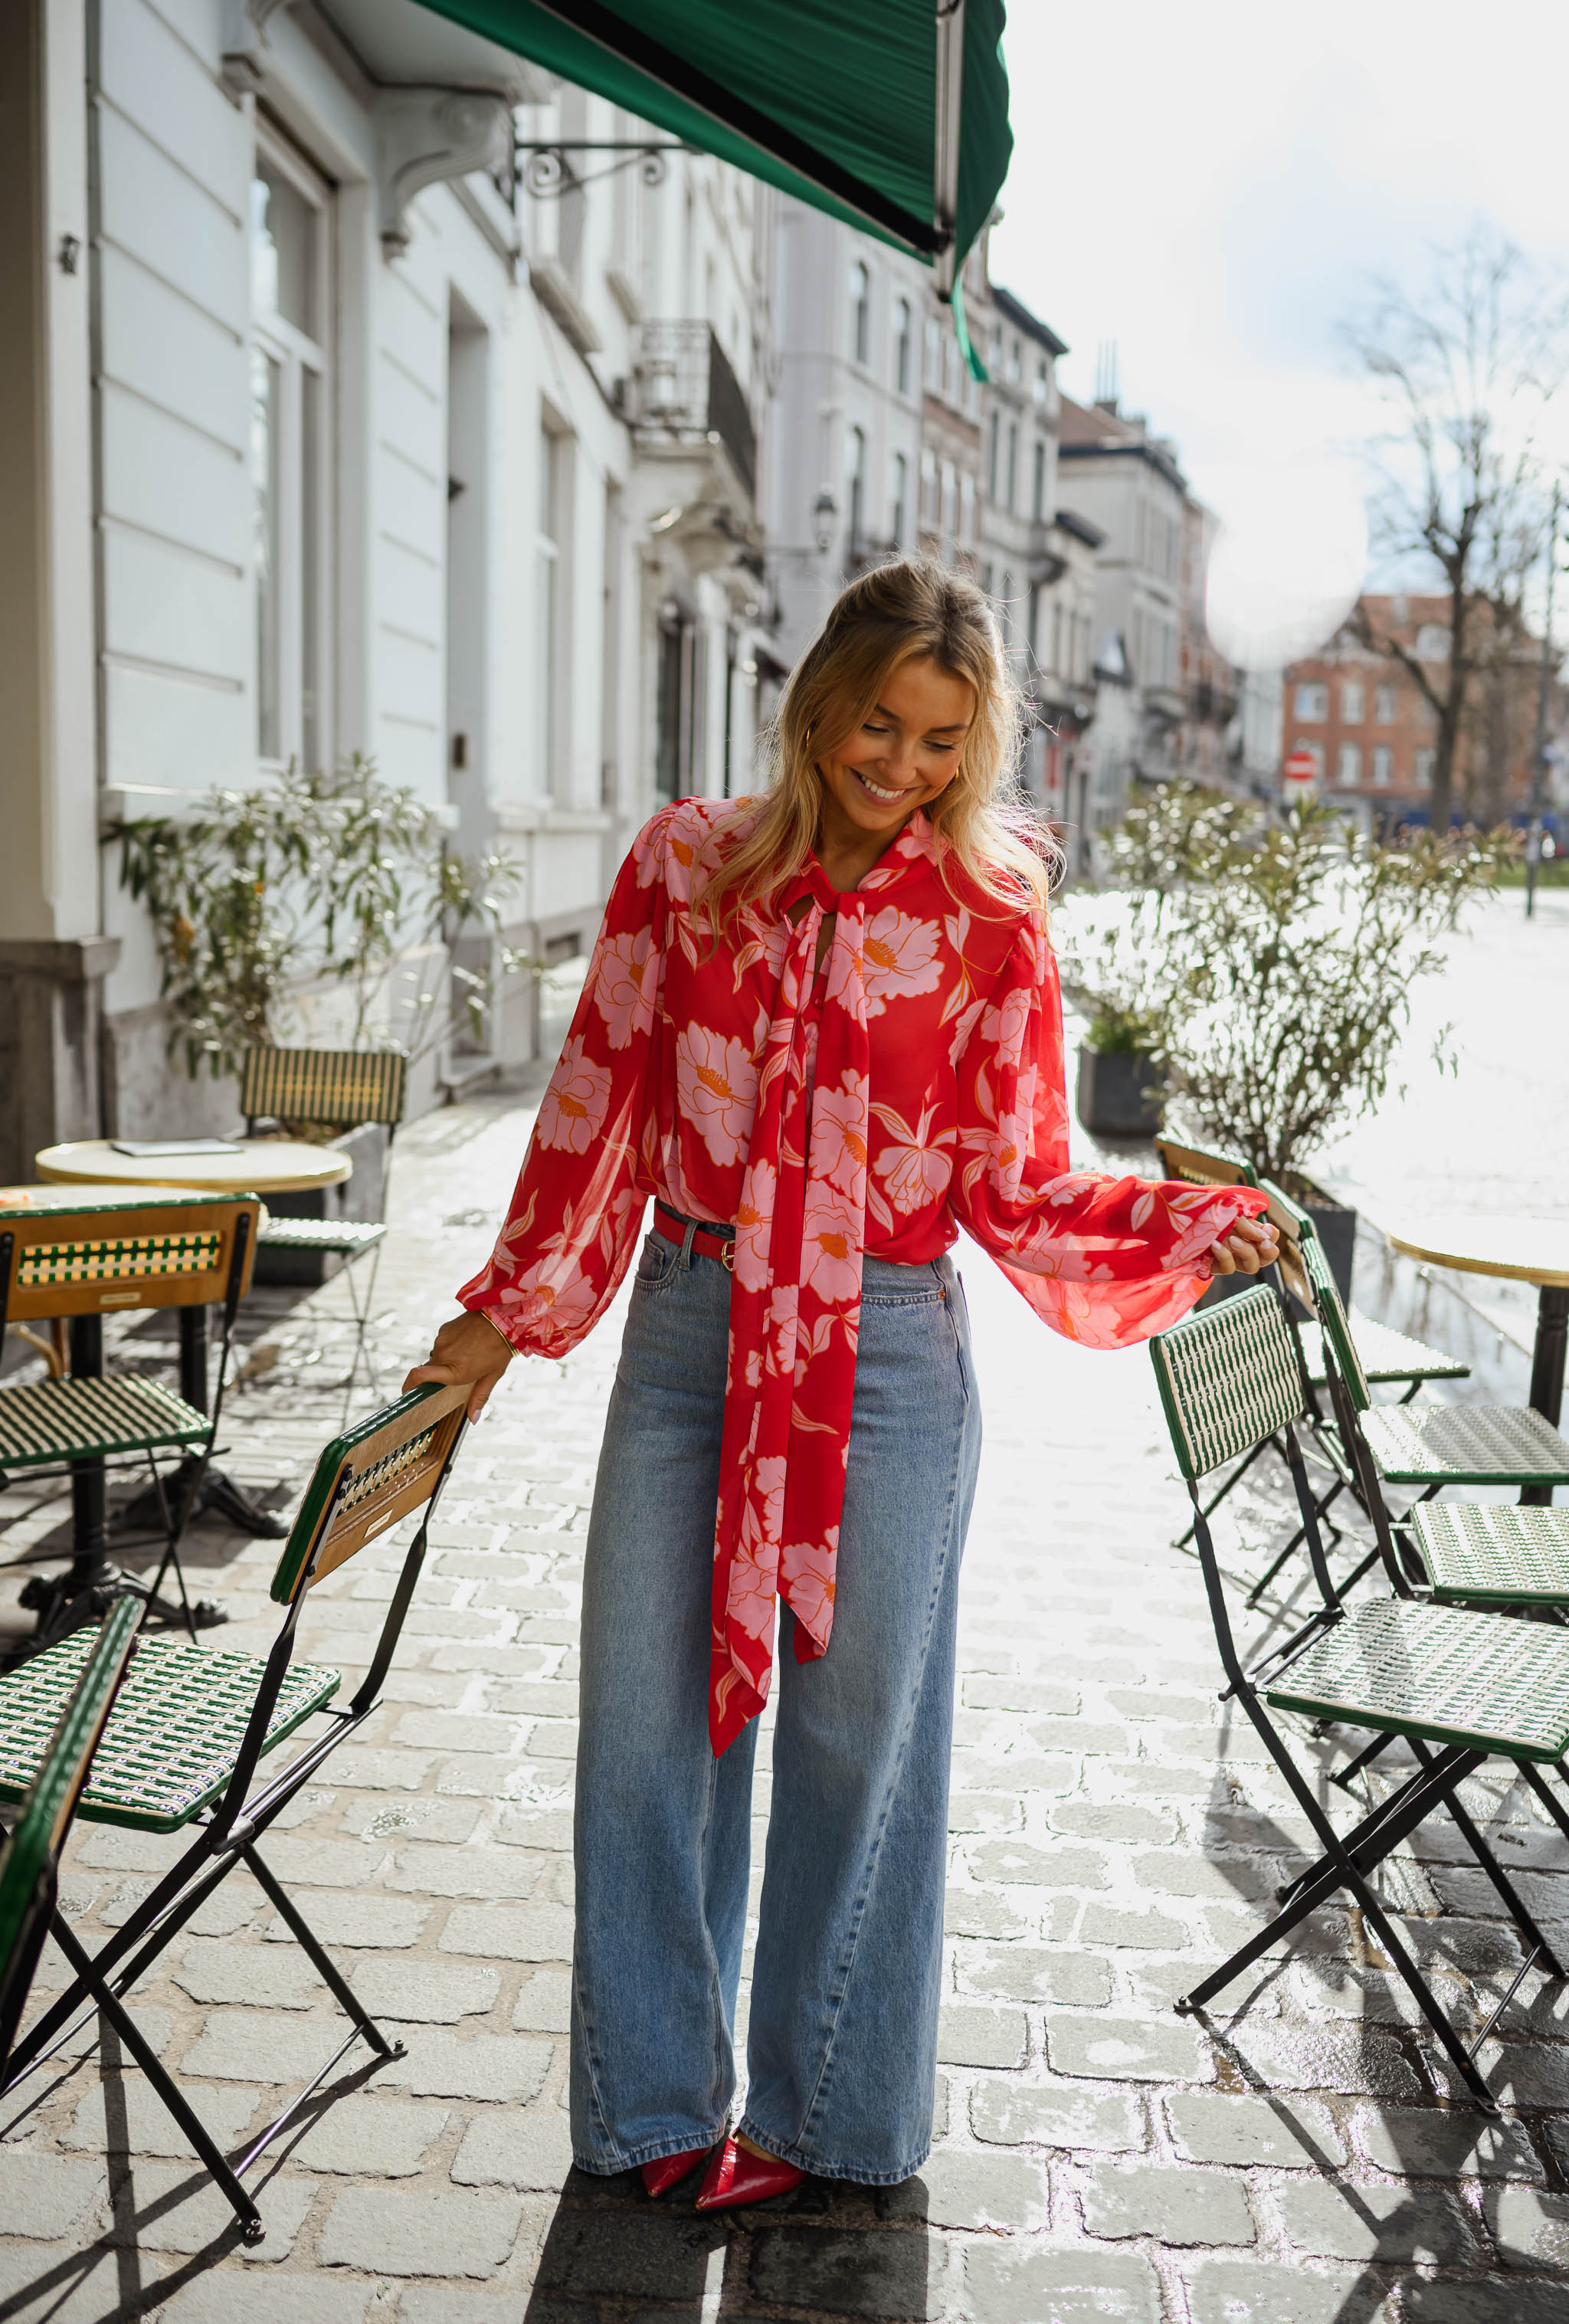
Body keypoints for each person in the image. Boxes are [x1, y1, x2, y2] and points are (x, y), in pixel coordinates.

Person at [405, 558, 1276, 2211]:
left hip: (885, 1348)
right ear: (817, 702)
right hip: (689, 1324)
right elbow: (595, 1100)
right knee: (644, 1735)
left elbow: (1020, 1181)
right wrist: (498, 1327)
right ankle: (654, 2110)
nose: (904, 765)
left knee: (861, 1743)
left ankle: (830, 2120)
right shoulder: (685, 866)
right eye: (880, 723)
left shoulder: (994, 909)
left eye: (944, 739)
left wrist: (1181, 1223)